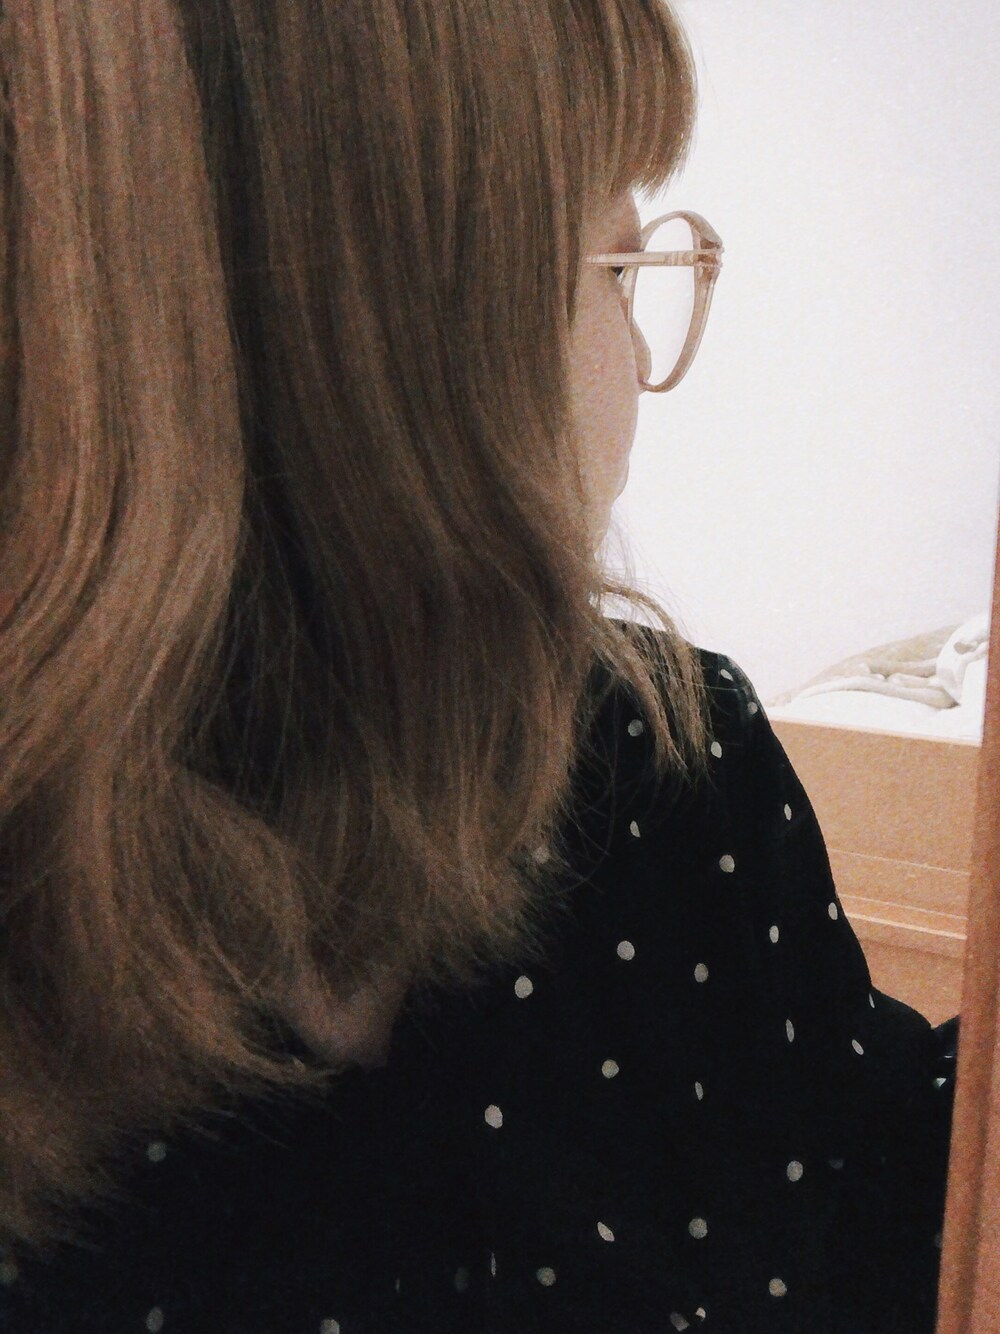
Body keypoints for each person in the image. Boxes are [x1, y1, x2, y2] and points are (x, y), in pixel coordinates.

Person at [0, 1, 958, 1330]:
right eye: (618, 265)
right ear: (403, 340)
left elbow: (897, 1180)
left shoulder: (667, 760)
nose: (643, 356)